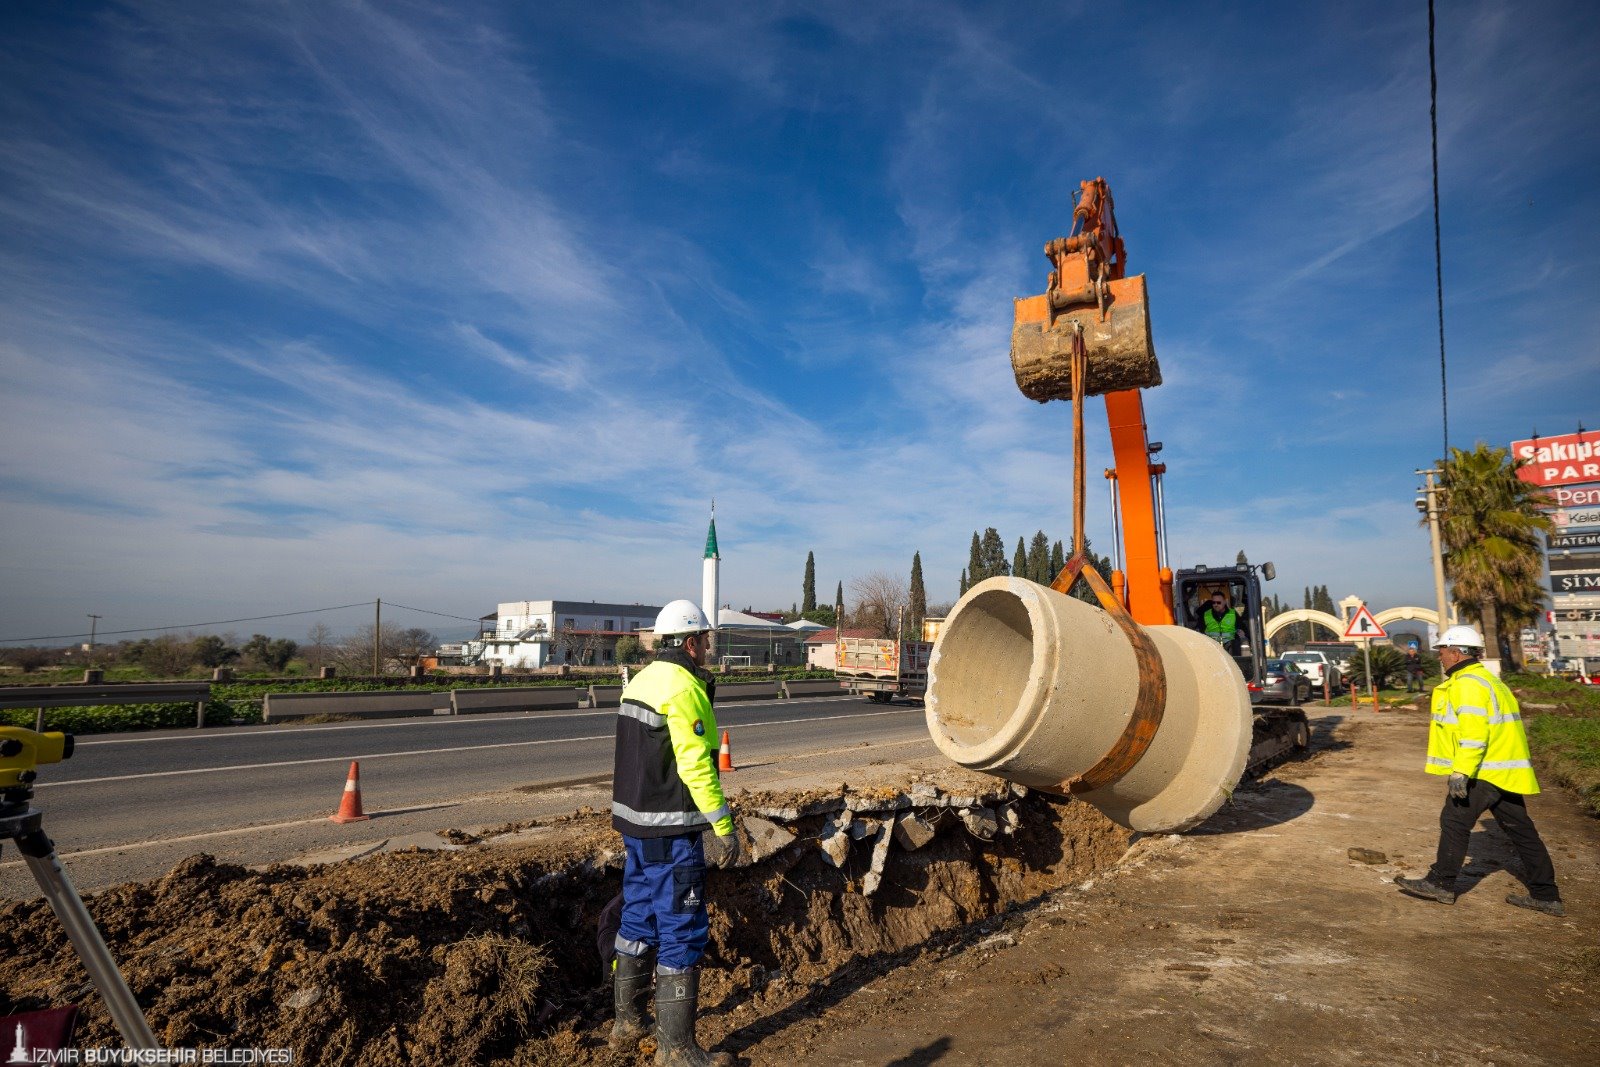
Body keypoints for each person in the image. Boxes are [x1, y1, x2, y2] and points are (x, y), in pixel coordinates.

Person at [610, 599, 742, 1066]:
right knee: (681, 930)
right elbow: (696, 766)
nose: (706, 648)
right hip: (670, 831)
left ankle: (626, 1023)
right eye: (704, 640)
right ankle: (677, 1051)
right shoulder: (684, 687)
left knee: (638, 919)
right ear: (689, 642)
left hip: (635, 827)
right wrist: (724, 827)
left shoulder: (641, 681)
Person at [1394, 626, 1563, 915]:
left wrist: (1461, 771)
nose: (1441, 658)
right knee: (1521, 830)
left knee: (1454, 822)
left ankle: (1441, 883)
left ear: (1457, 653)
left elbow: (1474, 735)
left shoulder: (1467, 684)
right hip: (1504, 770)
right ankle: (1546, 895)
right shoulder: (1489, 680)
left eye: (1443, 652)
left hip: (1483, 770)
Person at [1197, 589, 1244, 655]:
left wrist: (1242, 633)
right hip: (1211, 646)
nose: (1216, 604)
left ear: (1225, 602)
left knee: (1236, 644)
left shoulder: (1233, 614)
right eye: (1213, 602)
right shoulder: (1205, 615)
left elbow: (1242, 628)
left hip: (1230, 646)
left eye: (1218, 602)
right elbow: (1199, 631)